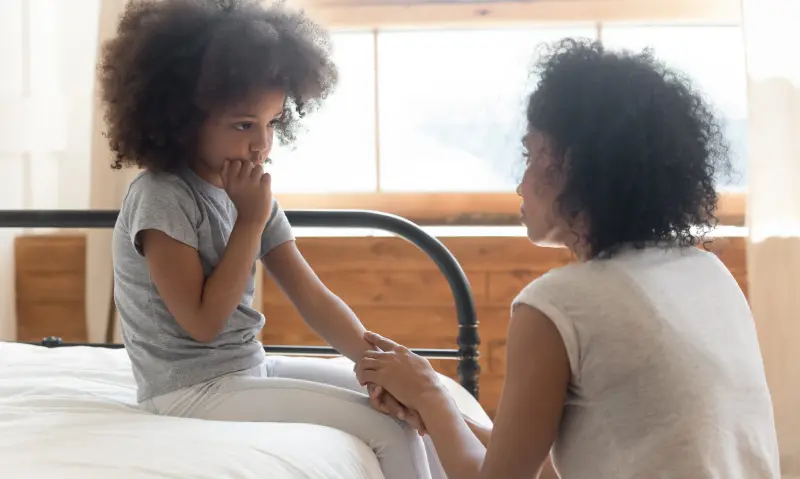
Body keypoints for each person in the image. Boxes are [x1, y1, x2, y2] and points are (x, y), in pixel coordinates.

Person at [356, 38, 781, 478]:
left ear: (575, 167)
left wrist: (428, 393)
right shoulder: (707, 272)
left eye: (531, 154)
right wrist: (439, 412)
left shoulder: (558, 304)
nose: (520, 183)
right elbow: (560, 461)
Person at [102, 1, 437, 478]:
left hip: (246, 367)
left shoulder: (249, 192)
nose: (262, 144)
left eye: (273, 122)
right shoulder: (162, 196)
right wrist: (249, 223)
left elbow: (310, 295)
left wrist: (376, 362)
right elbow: (202, 324)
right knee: (388, 429)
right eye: (244, 125)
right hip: (186, 391)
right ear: (183, 118)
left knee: (401, 405)